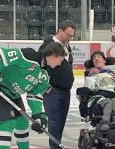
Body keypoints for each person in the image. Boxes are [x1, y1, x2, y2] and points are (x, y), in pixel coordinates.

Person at [0, 43, 67, 149]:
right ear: (53, 55)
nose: (60, 64)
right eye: (60, 59)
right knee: (7, 123)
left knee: (22, 121)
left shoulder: (45, 75)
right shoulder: (28, 55)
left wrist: (38, 116)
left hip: (13, 93)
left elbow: (34, 95)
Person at [38, 21, 75, 149]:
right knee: (54, 121)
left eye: (72, 36)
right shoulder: (48, 45)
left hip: (65, 91)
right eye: (68, 35)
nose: (70, 38)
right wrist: (47, 86)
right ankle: (55, 146)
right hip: (53, 91)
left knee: (60, 122)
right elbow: (42, 67)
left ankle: (56, 145)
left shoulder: (66, 46)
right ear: (59, 31)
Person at [83, 51, 115, 131]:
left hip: (114, 94)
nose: (96, 59)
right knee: (107, 102)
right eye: (94, 58)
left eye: (99, 57)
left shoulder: (114, 74)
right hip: (99, 95)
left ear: (104, 60)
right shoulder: (92, 75)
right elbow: (89, 88)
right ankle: (104, 123)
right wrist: (91, 74)